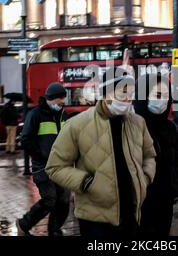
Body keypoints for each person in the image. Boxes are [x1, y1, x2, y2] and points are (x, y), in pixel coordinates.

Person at [46, 67, 156, 238]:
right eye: (123, 92)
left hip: (131, 214)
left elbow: (150, 155)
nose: (128, 99)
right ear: (106, 94)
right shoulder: (77, 124)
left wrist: (145, 177)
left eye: (131, 93)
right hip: (94, 219)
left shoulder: (138, 123)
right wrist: (86, 182)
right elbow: (55, 167)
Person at [16, 82, 70, 236]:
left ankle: (54, 229)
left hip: (62, 166)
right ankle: (23, 224)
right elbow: (25, 140)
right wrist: (42, 156)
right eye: (59, 101)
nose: (62, 104)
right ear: (50, 99)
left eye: (63, 101)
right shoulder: (35, 115)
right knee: (50, 200)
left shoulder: (62, 114)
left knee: (64, 200)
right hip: (43, 167)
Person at [133, 73, 178, 236]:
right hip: (142, 202)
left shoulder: (170, 127)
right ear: (143, 96)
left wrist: (176, 177)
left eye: (166, 96)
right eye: (158, 95)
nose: (162, 100)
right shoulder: (132, 126)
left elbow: (177, 159)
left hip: (166, 198)